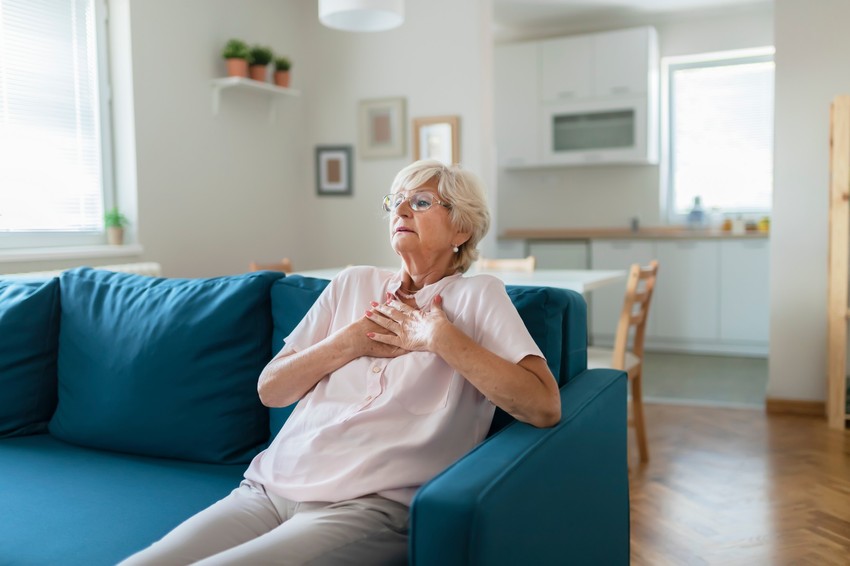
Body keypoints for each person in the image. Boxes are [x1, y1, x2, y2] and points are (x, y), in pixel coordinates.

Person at [120, 159, 561, 565]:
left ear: (460, 229)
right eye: (396, 200)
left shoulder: (478, 296)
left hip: (365, 505)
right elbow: (271, 389)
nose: (400, 209)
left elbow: (543, 406)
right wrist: (349, 342)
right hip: (268, 488)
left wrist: (439, 338)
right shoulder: (352, 284)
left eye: (421, 202)